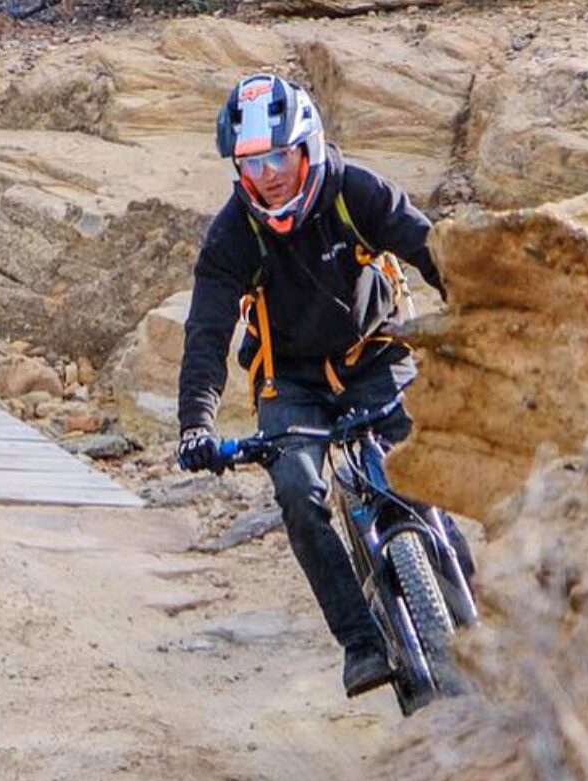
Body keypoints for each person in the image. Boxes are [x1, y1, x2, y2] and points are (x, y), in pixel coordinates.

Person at [176, 73, 447, 699]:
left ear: (307, 146)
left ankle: (463, 590)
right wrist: (197, 421)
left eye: (278, 156)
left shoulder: (357, 192)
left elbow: (432, 250)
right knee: (298, 491)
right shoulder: (232, 236)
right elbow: (207, 330)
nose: (268, 174)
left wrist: (477, 319)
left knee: (420, 466)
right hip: (289, 379)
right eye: (251, 163)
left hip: (373, 351)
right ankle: (361, 640)